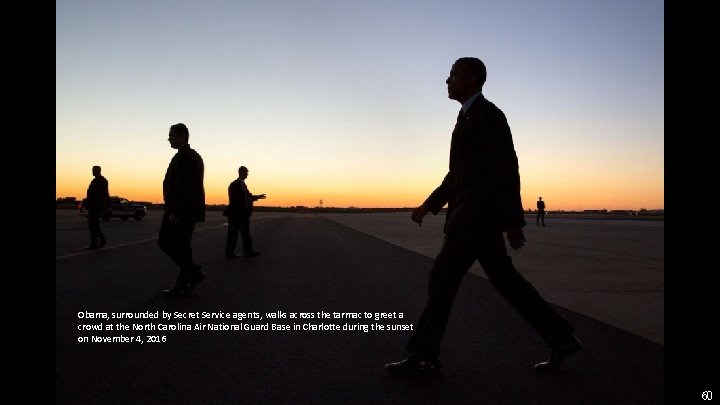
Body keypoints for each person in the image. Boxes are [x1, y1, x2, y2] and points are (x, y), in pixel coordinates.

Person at [385, 57, 581, 377]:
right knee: (506, 281)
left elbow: (507, 168)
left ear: (472, 79)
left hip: (476, 216)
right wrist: (429, 204)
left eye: (453, 75)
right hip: (475, 218)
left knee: (443, 278)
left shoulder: (490, 116)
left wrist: (514, 221)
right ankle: (560, 337)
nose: (447, 81)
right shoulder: (466, 117)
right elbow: (456, 174)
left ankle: (424, 356)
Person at [158, 123, 206, 297]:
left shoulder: (185, 156)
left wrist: (175, 212)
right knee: (184, 247)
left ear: (182, 136)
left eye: (171, 135)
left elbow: (184, 187)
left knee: (164, 242)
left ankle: (194, 272)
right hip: (187, 210)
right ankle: (182, 286)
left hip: (180, 211)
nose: (169, 138)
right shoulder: (190, 155)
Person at [223, 166, 266, 258]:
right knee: (233, 234)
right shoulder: (234, 184)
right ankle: (230, 252)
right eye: (246, 172)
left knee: (245, 234)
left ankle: (248, 252)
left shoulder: (243, 184)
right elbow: (237, 199)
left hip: (243, 213)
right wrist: (249, 199)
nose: (247, 174)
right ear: (241, 172)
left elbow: (248, 196)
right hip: (236, 213)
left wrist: (257, 197)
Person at [84, 165, 110, 250]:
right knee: (95, 225)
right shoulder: (98, 180)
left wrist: (105, 206)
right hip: (94, 205)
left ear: (98, 171)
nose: (92, 171)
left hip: (95, 206)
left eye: (94, 170)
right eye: (92, 170)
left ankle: (95, 243)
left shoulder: (100, 180)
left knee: (93, 225)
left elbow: (104, 194)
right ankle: (101, 240)